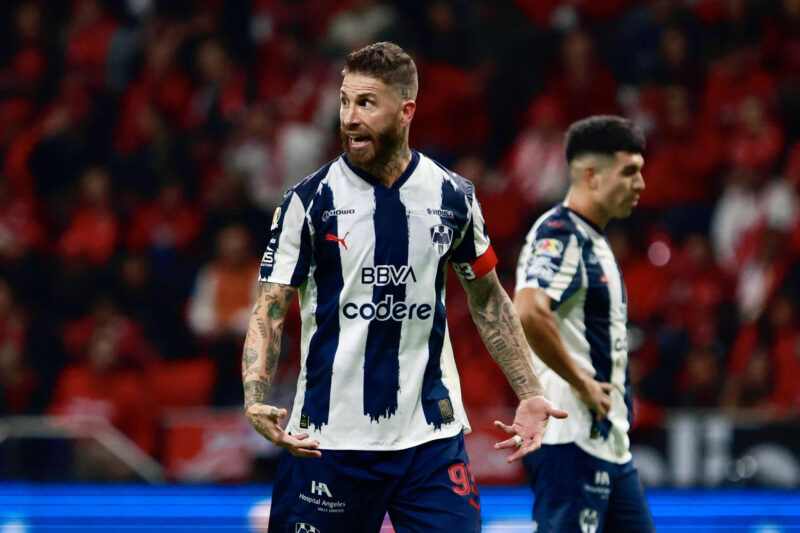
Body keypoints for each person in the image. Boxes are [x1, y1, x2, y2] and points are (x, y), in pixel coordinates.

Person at [242, 41, 567, 532]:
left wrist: (529, 390)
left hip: (429, 442)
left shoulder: (452, 196)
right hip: (329, 442)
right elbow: (268, 309)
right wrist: (254, 395)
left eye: (367, 103)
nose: (350, 117)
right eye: (345, 101)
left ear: (406, 110)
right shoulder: (307, 202)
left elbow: (488, 298)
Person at [514, 115, 655, 533]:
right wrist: (583, 382)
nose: (640, 184)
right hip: (570, 439)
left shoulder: (596, 241)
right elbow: (528, 309)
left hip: (608, 444)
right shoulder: (560, 233)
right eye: (629, 172)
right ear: (591, 175)